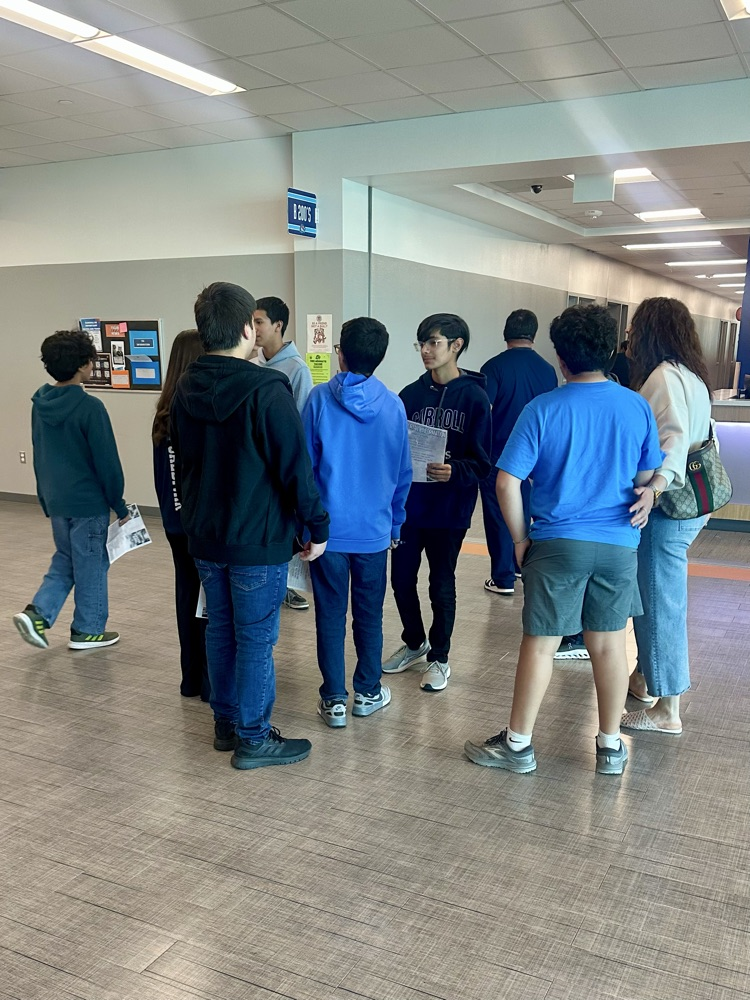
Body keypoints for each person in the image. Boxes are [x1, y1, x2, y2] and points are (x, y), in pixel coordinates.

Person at [464, 305, 663, 775]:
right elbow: (645, 476)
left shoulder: (544, 409)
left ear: (561, 357)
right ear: (609, 352)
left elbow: (506, 483)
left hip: (556, 542)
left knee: (541, 643)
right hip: (618, 544)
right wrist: (646, 493)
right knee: (610, 644)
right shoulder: (635, 405)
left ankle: (518, 746)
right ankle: (611, 747)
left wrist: (518, 540)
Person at [170, 282, 329, 770]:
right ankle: (255, 738)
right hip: (257, 539)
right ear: (246, 328)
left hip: (205, 535)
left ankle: (226, 723)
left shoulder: (184, 389)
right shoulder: (267, 389)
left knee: (220, 628)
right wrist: (317, 526)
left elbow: (184, 465)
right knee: (257, 638)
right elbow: (294, 469)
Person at [303, 317, 412, 727]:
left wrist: (307, 525)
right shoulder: (394, 406)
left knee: (329, 615)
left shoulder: (317, 400)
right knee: (369, 615)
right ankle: (367, 692)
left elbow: (305, 469)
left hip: (327, 534)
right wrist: (395, 525)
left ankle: (333, 700)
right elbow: (403, 474)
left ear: (341, 354)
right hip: (373, 534)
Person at [383, 313, 491, 693]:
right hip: (412, 507)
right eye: (422, 344)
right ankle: (415, 642)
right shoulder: (410, 395)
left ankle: (439, 658)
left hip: (450, 510)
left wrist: (454, 470)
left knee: (441, 583)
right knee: (400, 579)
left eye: (433, 343)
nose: (426, 351)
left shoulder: (475, 398)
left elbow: (482, 462)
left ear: (456, 346)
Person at [621, 298, 712, 735]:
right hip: (692, 505)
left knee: (660, 604)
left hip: (668, 507)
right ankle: (644, 677)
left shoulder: (663, 377)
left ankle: (667, 709)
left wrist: (654, 489)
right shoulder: (690, 373)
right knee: (658, 597)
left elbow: (672, 442)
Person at [13, 330, 128, 651]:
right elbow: (107, 463)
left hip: (57, 500)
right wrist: (118, 503)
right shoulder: (91, 407)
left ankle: (37, 613)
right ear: (84, 366)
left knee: (66, 558)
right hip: (88, 504)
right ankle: (87, 630)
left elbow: (39, 454)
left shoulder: (40, 405)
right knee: (91, 565)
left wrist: (43, 498)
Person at [479, 309, 557, 596]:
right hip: (535, 456)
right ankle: (521, 565)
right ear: (534, 335)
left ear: (505, 333)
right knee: (524, 509)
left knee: (498, 512)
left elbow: (484, 411)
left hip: (499, 454)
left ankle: (503, 577)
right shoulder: (548, 370)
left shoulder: (493, 367)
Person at [152, 329, 209, 701]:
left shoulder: (162, 416)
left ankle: (191, 679)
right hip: (198, 526)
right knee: (208, 606)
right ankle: (207, 683)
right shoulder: (194, 415)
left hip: (174, 525)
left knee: (186, 597)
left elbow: (166, 478)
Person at [253, 295, 314, 612]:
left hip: (282, 467)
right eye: (252, 322)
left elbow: (299, 428)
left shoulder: (297, 369)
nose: (254, 328)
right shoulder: (255, 364)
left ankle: (286, 584)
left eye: (260, 321)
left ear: (278, 325)